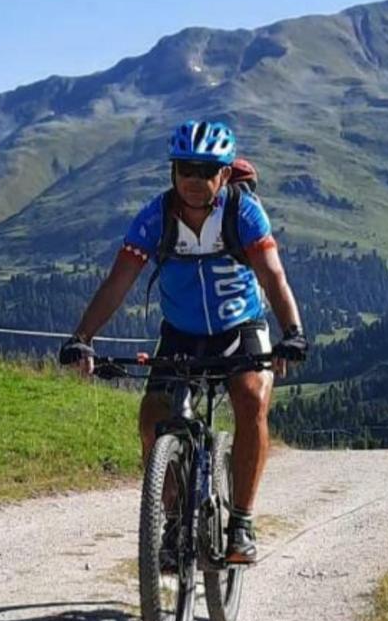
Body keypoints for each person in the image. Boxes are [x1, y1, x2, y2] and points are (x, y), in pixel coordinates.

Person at [59, 120, 308, 563]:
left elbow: (272, 275)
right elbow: (118, 282)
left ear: (225, 175)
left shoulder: (243, 214)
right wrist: (82, 337)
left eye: (207, 170)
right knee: (152, 419)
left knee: (251, 401)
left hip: (241, 328)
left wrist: (292, 332)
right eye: (185, 169)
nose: (195, 180)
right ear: (173, 172)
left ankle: (242, 525)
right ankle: (174, 521)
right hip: (181, 334)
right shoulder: (154, 219)